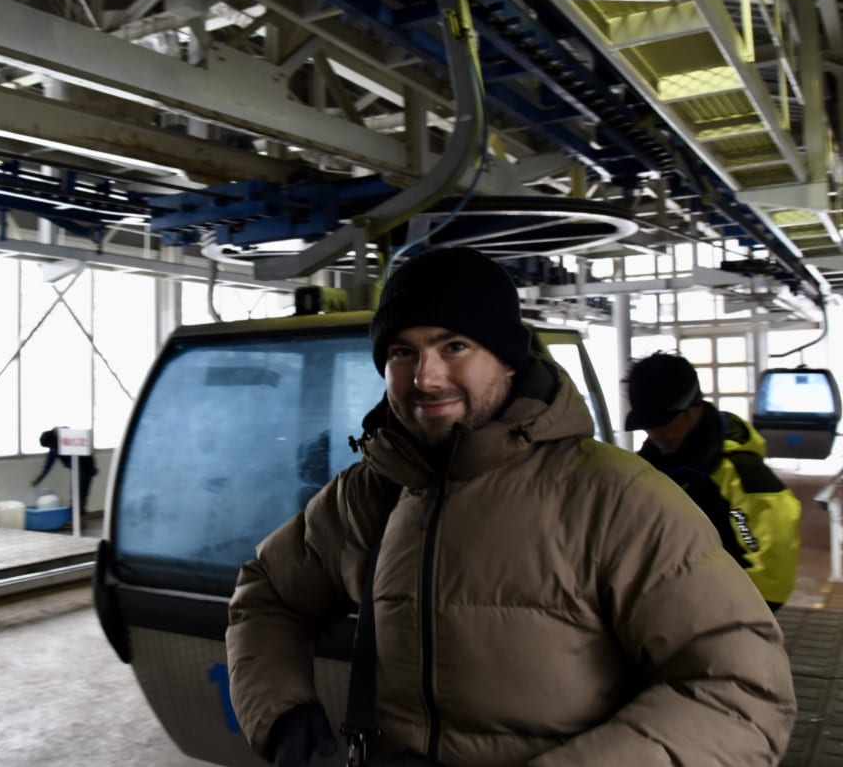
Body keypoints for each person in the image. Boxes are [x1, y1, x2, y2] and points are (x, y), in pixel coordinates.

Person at [226, 246, 796, 767]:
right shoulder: (370, 493)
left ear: (508, 361)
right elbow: (268, 593)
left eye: (454, 346)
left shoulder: (616, 498)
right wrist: (281, 710)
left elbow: (742, 696)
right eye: (403, 352)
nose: (425, 377)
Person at [625, 351, 802, 612]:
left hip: (723, 614)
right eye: (648, 425)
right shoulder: (646, 467)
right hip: (663, 610)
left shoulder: (739, 473)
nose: (656, 434)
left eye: (663, 423)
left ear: (692, 408)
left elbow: (772, 573)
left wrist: (725, 614)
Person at [31, 426, 98, 518]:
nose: (51, 448)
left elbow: (86, 452)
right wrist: (39, 479)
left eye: (50, 446)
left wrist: (92, 467)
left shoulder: (66, 436)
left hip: (85, 468)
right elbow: (48, 465)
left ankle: (79, 517)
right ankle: (76, 517)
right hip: (76, 470)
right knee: (75, 493)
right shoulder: (54, 447)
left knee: (80, 493)